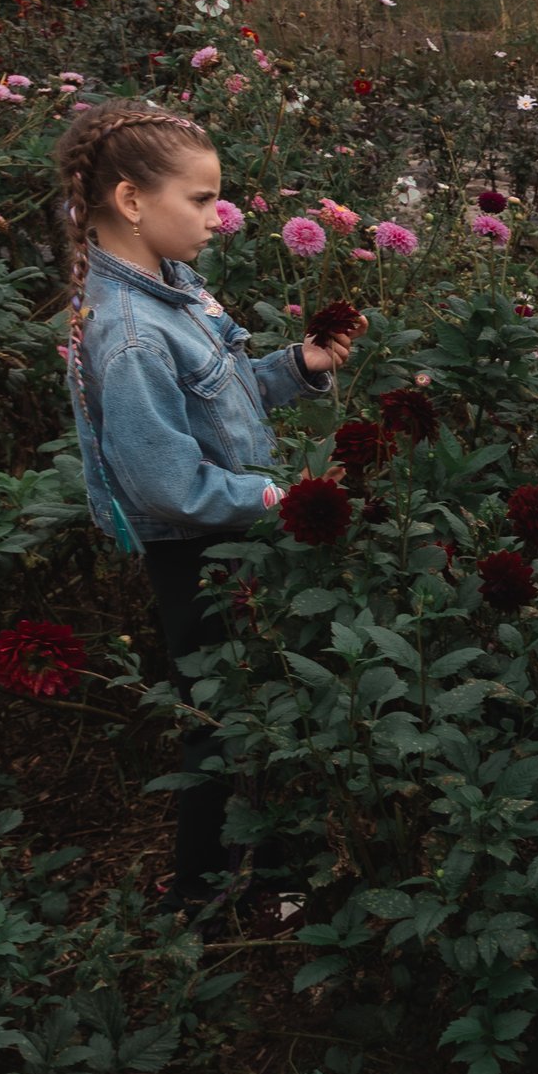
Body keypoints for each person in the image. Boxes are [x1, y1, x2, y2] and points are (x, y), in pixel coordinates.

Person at [55, 101, 359, 908]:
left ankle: (282, 878)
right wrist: (284, 495)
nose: (217, 218)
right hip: (198, 553)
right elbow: (171, 485)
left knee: (267, 702)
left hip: (237, 531)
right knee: (223, 725)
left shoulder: (173, 289)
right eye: (199, 199)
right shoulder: (130, 335)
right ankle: (202, 899)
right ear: (130, 201)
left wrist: (298, 364)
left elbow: (223, 398)